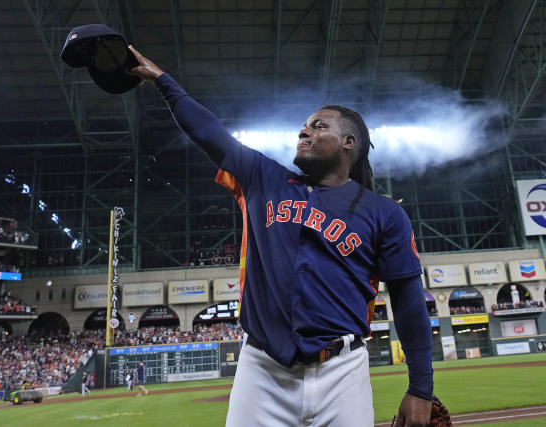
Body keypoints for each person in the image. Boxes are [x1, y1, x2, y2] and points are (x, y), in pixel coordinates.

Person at [128, 45, 434, 427]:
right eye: (305, 124)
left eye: (319, 125)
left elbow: (408, 302)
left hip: (343, 373)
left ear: (348, 143)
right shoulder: (264, 179)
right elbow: (208, 132)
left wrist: (421, 387)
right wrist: (163, 81)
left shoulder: (384, 212)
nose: (305, 129)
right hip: (262, 372)